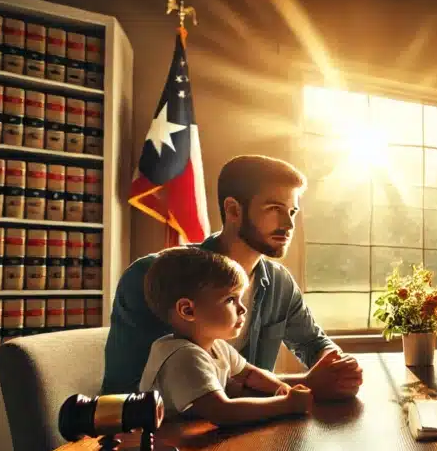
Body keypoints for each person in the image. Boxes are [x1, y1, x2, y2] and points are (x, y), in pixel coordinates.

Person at [104, 155, 363, 399]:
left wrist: (336, 366)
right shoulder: (151, 276)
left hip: (258, 434)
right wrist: (303, 384)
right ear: (233, 210)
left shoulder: (279, 282)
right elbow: (127, 393)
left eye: (292, 211)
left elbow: (312, 342)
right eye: (275, 208)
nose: (289, 224)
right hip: (174, 443)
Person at [138, 247, 313, 425]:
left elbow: (249, 374)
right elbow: (223, 412)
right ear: (188, 310)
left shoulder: (216, 346)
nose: (242, 309)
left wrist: (280, 388)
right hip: (165, 443)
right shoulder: (182, 356)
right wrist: (286, 404)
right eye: (230, 299)